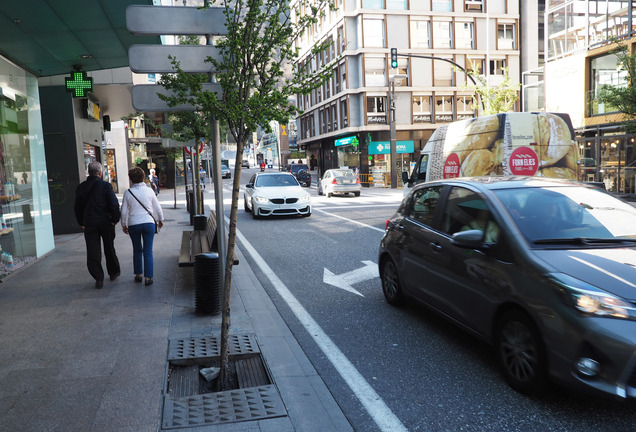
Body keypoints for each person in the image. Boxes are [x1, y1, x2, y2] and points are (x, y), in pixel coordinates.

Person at [74, 161, 121, 289]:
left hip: (89, 223)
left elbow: (77, 207)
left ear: (89, 172)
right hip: (106, 222)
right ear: (100, 172)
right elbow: (113, 204)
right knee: (109, 248)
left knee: (93, 251)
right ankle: (113, 272)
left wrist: (81, 222)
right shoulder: (105, 185)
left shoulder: (81, 187)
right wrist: (115, 219)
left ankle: (98, 278)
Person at [121, 167, 164, 286]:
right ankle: (148, 277)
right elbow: (158, 208)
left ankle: (138, 274)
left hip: (133, 223)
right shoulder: (150, 191)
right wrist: (161, 220)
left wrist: (123, 224)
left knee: (137, 250)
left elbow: (123, 211)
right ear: (143, 177)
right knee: (148, 251)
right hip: (148, 223)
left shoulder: (128, 192)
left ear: (131, 179)